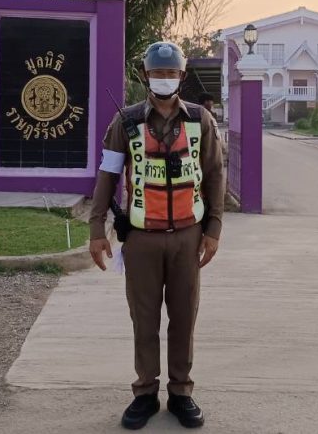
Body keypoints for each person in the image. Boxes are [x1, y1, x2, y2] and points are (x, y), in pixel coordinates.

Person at [88, 41, 226, 430]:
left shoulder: (200, 120)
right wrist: (97, 229)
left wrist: (213, 228)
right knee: (144, 319)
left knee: (183, 317)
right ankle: (145, 393)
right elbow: (107, 175)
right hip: (141, 239)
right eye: (157, 73)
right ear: (145, 76)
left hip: (187, 236)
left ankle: (181, 392)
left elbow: (215, 173)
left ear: (182, 76)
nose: (164, 79)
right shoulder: (126, 121)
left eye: (170, 73)